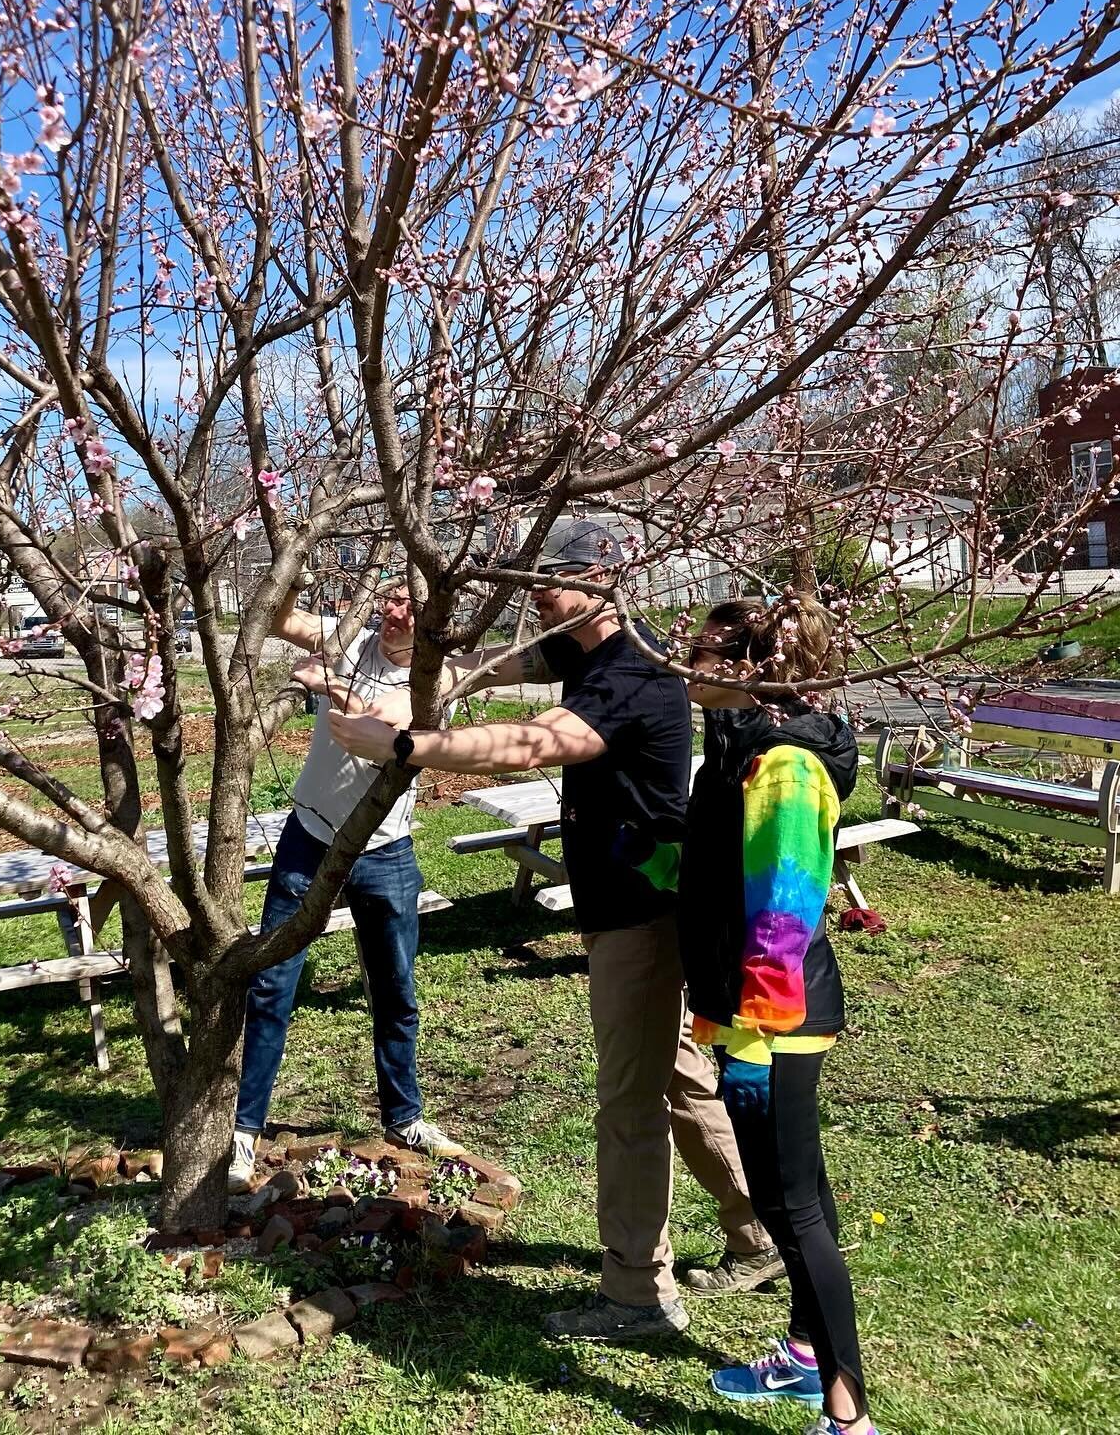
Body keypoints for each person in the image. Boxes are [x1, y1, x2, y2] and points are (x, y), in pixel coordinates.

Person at [329, 519, 781, 1340]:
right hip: (645, 898)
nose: (540, 589)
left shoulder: (633, 668)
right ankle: (760, 1234)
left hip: (642, 913)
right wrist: (408, 659)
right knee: (679, 1082)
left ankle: (637, 1295)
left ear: (609, 575)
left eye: (558, 576)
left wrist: (405, 743)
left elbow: (541, 742)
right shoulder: (580, 647)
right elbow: (486, 668)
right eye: (534, 576)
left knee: (629, 1105)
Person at [680, 595, 880, 1435]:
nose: (686, 664)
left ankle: (848, 1414)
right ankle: (805, 1354)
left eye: (703, 653)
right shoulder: (741, 746)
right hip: (755, 1007)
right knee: (790, 1194)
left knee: (793, 1209)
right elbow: (730, 865)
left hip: (778, 1016)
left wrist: (755, 1041)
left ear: (751, 671)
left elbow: (786, 911)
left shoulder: (785, 763)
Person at [228, 575, 463, 1192]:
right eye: (390, 599)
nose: (395, 615)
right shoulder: (351, 639)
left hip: (386, 851)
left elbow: (381, 725)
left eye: (411, 607)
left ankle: (404, 1117)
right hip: (310, 838)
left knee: (394, 987)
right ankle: (244, 1130)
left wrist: (324, 682)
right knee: (272, 983)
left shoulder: (438, 680)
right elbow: (280, 617)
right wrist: (292, 575)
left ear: (436, 615)